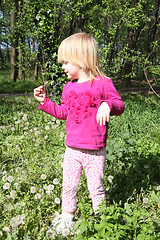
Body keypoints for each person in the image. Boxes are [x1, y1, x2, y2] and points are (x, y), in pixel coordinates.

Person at [34, 32, 125, 235]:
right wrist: (44, 102)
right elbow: (63, 112)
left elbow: (120, 104)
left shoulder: (103, 83)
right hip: (72, 149)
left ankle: (102, 222)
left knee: (96, 188)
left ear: (81, 59)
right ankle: (67, 217)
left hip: (95, 151)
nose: (63, 66)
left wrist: (107, 105)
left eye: (66, 62)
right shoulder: (68, 88)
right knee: (69, 186)